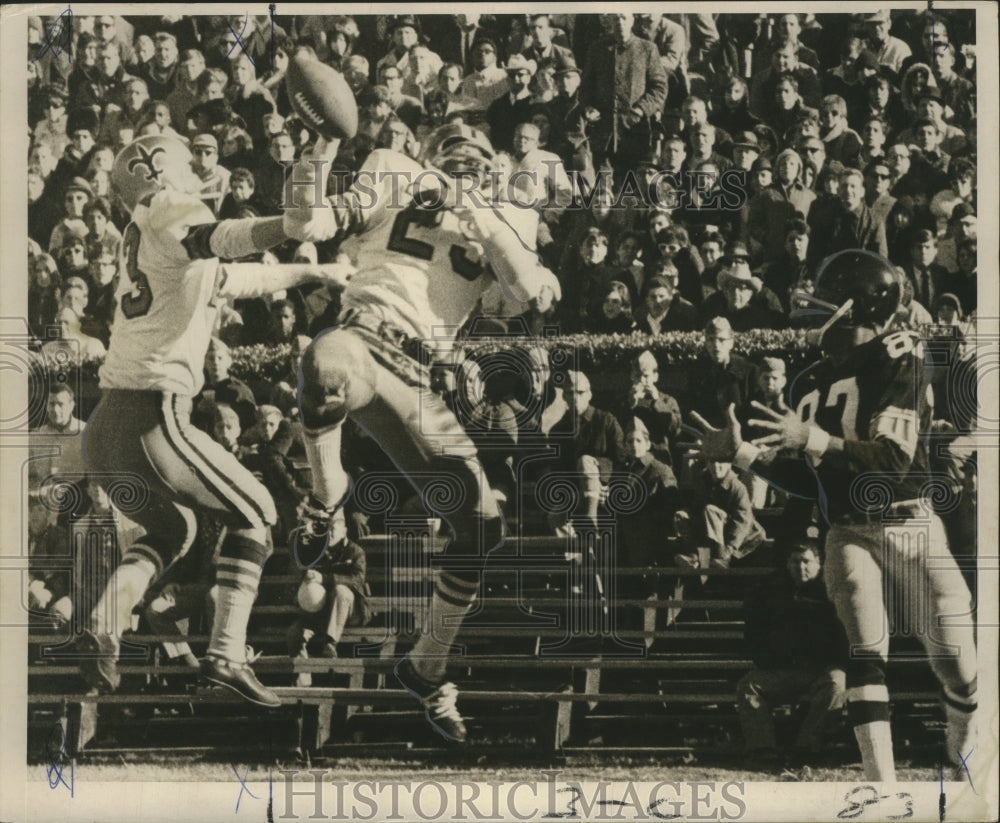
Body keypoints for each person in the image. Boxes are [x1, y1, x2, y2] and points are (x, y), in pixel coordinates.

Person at [290, 123, 559, 743]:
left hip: (420, 378)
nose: (464, 159)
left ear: (491, 166)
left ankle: (424, 665)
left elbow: (530, 293)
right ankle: (324, 500)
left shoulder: (504, 216)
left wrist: (483, 217)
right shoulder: (394, 165)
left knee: (483, 523)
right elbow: (326, 219)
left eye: (475, 155)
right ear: (432, 155)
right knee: (324, 364)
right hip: (366, 334)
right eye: (453, 152)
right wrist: (317, 168)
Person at [76, 133, 354, 707]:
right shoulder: (170, 207)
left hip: (108, 427)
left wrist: (313, 272)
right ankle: (227, 652)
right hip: (153, 413)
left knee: (173, 531)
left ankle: (102, 624)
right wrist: (287, 226)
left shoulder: (143, 231)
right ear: (165, 169)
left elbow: (229, 278)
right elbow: (223, 240)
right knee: (257, 510)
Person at [688, 249, 978, 781]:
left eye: (823, 294)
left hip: (910, 519)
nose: (807, 306)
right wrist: (744, 455)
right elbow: (809, 479)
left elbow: (891, 460)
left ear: (863, 305)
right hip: (848, 528)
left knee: (959, 667)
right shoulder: (809, 383)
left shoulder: (899, 354)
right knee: (867, 654)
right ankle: (881, 788)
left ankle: (963, 756)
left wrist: (816, 438)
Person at [737, 539, 848, 760]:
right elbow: (754, 632)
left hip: (820, 669)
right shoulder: (771, 590)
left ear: (819, 562)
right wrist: (768, 658)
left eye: (806, 561)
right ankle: (762, 749)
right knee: (748, 685)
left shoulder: (833, 591)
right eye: (795, 561)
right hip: (782, 669)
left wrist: (829, 658)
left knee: (837, 683)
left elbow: (844, 635)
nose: (800, 567)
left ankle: (807, 746)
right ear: (787, 564)